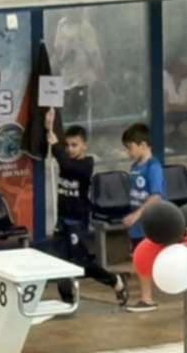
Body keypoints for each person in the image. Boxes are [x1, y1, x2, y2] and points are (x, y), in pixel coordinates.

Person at [44, 111, 127, 308]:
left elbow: (67, 165)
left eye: (75, 145)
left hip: (77, 221)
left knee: (81, 263)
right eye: (67, 145)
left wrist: (55, 145)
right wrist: (49, 127)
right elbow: (62, 159)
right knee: (59, 262)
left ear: (84, 146)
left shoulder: (86, 164)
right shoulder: (65, 160)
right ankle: (67, 300)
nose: (70, 149)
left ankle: (115, 281)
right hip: (62, 220)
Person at [120, 123, 164, 312]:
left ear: (143, 145)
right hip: (137, 225)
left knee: (145, 259)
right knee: (141, 259)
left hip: (149, 222)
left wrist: (136, 215)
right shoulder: (134, 167)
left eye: (130, 147)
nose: (128, 152)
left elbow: (156, 196)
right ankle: (146, 297)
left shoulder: (153, 167)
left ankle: (147, 299)